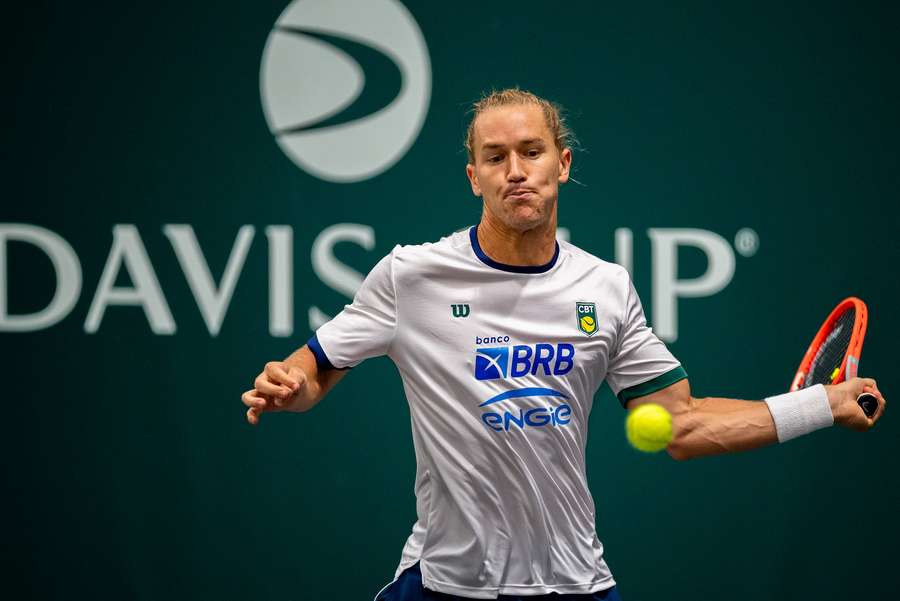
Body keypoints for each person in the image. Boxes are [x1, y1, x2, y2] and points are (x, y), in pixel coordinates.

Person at [241, 89, 887, 601]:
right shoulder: (411, 276)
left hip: (574, 582)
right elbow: (315, 365)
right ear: (473, 177)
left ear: (564, 164)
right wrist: (292, 386)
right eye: (495, 158)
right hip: (448, 584)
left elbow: (683, 424)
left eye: (532, 151)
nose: (516, 171)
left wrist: (821, 406)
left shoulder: (605, 288)